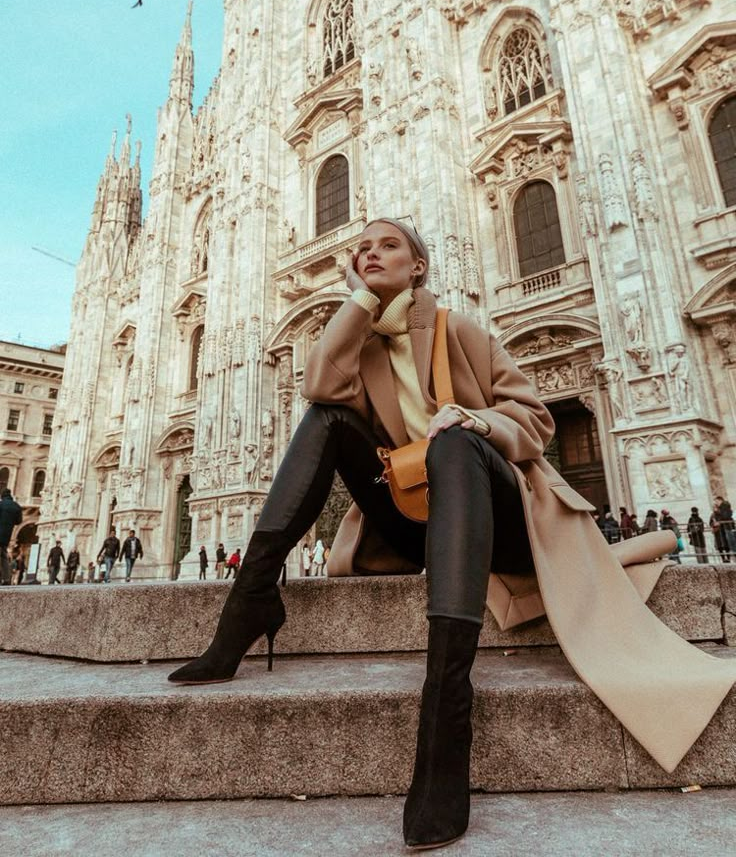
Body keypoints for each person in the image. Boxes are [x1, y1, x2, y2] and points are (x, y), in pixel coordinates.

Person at [167, 216, 736, 850]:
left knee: (456, 439)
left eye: (388, 246)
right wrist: (357, 300)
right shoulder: (362, 347)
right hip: (414, 522)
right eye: (361, 250)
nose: (370, 253)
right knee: (326, 416)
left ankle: (446, 707)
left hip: (500, 521)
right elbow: (320, 386)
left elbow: (535, 419)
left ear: (419, 267)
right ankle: (250, 598)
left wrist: (476, 420)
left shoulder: (460, 330)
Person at [0, 487, 23, 585]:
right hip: (7, 535)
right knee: (4, 555)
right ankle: (6, 578)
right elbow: (19, 521)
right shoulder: (16, 506)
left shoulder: (0, 505)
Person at [711, 496, 736, 562]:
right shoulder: (716, 512)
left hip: (727, 528)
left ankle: (731, 557)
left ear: (720, 500)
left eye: (716, 501)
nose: (716, 503)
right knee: (728, 544)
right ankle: (728, 558)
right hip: (722, 530)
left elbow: (725, 516)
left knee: (731, 543)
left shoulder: (725, 507)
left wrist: (719, 522)